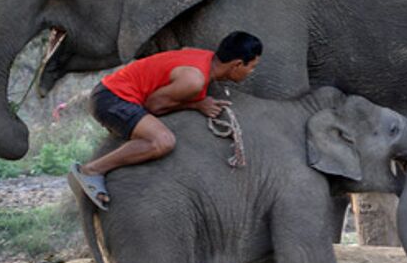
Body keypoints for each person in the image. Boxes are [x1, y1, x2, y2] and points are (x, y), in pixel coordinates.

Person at [69, 31, 262, 210]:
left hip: (111, 91)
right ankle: (91, 170)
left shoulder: (202, 56)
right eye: (252, 67)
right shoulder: (194, 81)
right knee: (162, 142)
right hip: (113, 99)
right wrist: (197, 105)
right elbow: (154, 105)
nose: (251, 73)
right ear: (237, 64)